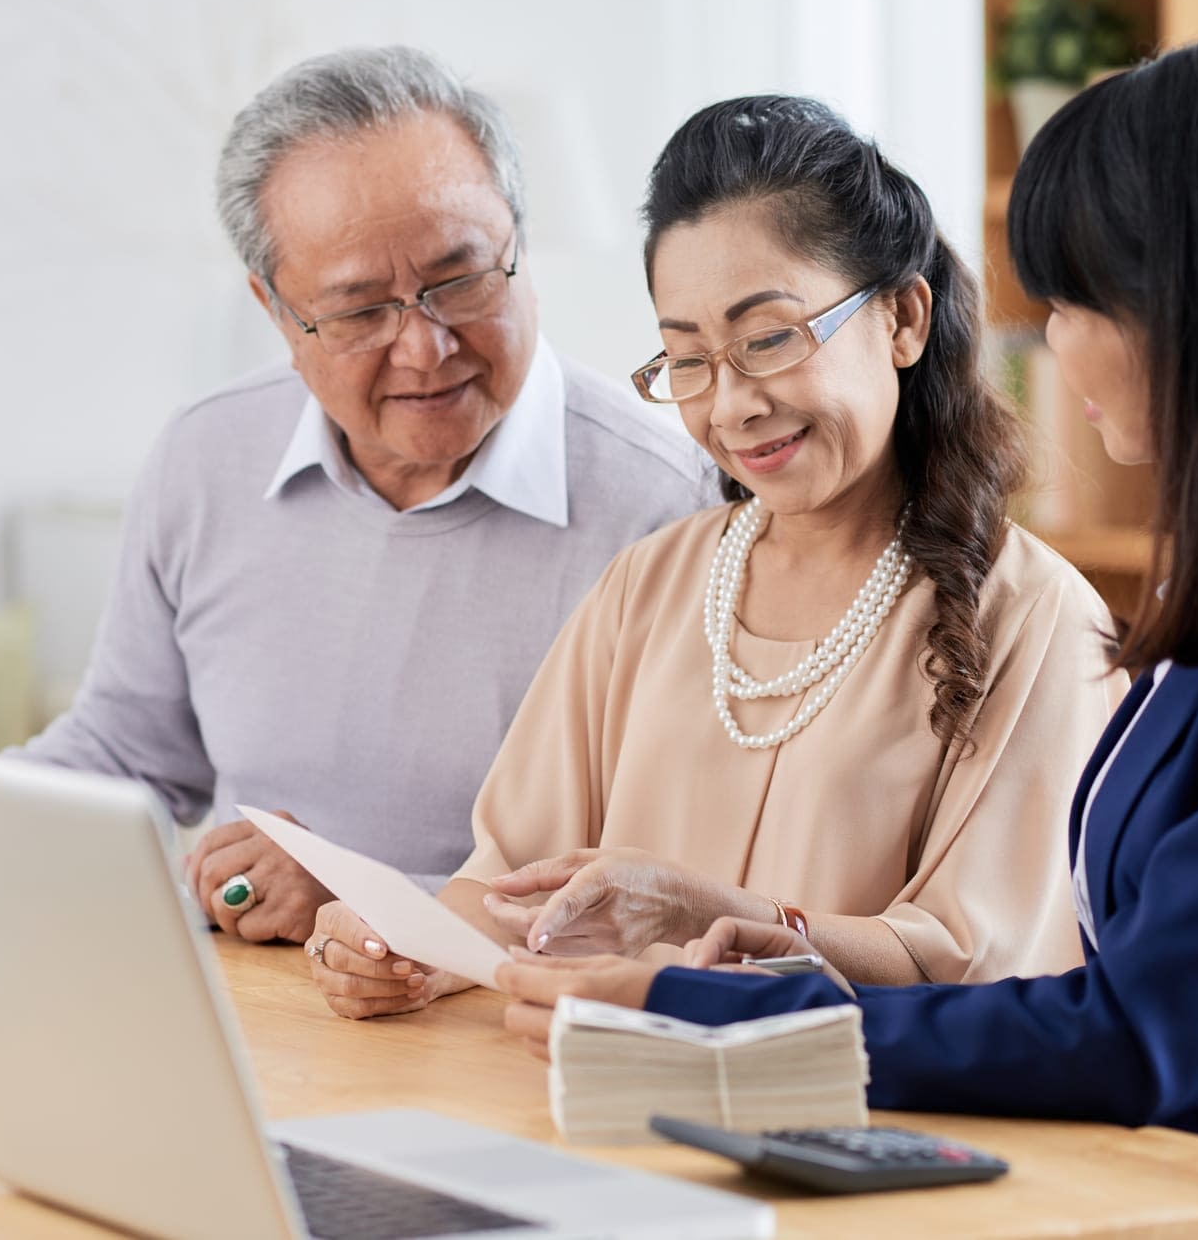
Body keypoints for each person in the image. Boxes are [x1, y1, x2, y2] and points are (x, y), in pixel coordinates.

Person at [493, 36, 1198, 1240]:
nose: (1052, 343)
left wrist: (703, 1012)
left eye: (1076, 303)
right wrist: (793, 954)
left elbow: (1137, 1032)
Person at [0, 46, 711, 942]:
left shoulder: (669, 507)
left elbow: (668, 879)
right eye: (358, 311)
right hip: (238, 1002)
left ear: (519, 243)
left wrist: (366, 898)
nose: (424, 348)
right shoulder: (206, 456)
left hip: (505, 1017)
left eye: (459, 279)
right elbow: (129, 753)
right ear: (275, 311)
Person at [308, 94, 1127, 1020]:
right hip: (604, 1086)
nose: (731, 406)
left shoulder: (1035, 618)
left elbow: (986, 973)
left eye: (768, 339)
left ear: (902, 318)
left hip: (849, 1103)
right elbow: (511, 890)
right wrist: (403, 946)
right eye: (687, 360)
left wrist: (712, 916)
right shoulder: (649, 585)